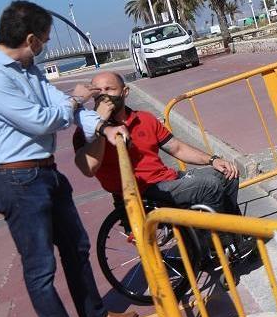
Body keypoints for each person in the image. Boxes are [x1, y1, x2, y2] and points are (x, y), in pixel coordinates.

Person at [0, 0, 136, 317]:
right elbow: (45, 120)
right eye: (43, 39)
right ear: (31, 38)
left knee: (76, 247)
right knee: (40, 266)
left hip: (43, 172)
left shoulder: (27, 67)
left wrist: (102, 126)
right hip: (14, 179)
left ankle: (94, 316)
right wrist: (75, 101)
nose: (43, 46)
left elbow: (61, 106)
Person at [72, 71, 243, 220]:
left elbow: (177, 148)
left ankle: (237, 233)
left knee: (227, 173)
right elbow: (88, 169)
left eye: (109, 89)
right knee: (208, 185)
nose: (104, 96)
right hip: (141, 192)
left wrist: (213, 159)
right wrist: (100, 124)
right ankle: (220, 242)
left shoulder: (145, 119)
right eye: (98, 91)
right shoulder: (84, 133)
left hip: (166, 179)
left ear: (125, 92)